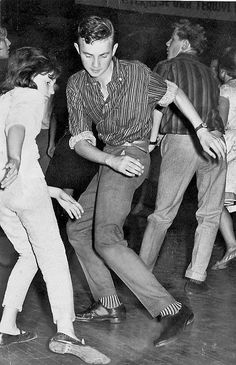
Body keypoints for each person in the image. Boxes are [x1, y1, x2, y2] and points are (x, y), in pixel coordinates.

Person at [66, 15, 225, 347]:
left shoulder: (136, 73)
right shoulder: (77, 85)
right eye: (87, 55)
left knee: (106, 238)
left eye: (104, 55)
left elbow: (175, 93)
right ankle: (108, 304)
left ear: (115, 49)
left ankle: (172, 309)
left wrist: (200, 127)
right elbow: (81, 141)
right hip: (111, 157)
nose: (96, 64)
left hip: (135, 155)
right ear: (78, 49)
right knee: (79, 228)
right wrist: (110, 159)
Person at [0, 46, 110, 365]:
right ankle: (67, 331)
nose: (53, 87)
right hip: (21, 180)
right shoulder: (30, 96)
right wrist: (16, 158)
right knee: (54, 257)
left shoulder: (3, 99)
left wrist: (52, 190)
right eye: (50, 79)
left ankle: (6, 326)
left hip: (5, 192)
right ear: (33, 76)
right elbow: (17, 128)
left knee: (28, 254)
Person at [140, 19, 226, 295]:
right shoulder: (211, 74)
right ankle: (197, 273)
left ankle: (141, 272)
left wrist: (152, 139)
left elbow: (155, 104)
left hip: (183, 140)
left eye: (172, 39)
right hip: (216, 143)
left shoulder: (167, 67)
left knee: (163, 214)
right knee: (210, 213)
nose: (167, 44)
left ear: (184, 44)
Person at [211, 47, 236, 270]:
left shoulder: (226, 89)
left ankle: (231, 246)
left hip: (231, 147)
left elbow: (222, 122)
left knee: (216, 200)